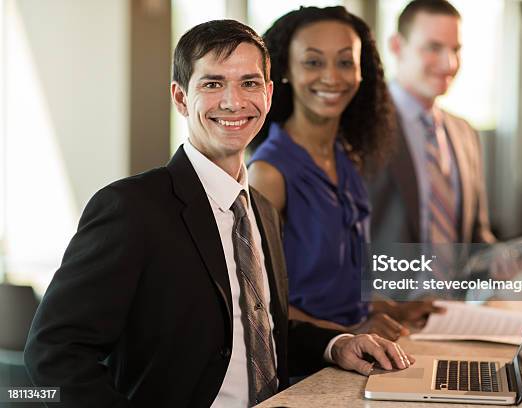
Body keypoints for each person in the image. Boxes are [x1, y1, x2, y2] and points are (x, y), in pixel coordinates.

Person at [24, 20, 413, 408]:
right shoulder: (132, 208)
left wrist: (336, 344)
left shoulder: (260, 209)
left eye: (249, 83)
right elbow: (53, 352)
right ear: (180, 98)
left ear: (269, 93)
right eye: (212, 84)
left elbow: (257, 332)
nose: (234, 101)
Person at [248, 6, 416, 341]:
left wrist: (393, 308)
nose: (332, 77)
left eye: (344, 62)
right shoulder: (268, 173)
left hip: (356, 350)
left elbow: (335, 287)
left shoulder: (346, 158)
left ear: (361, 70)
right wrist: (349, 333)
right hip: (305, 368)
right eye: (313, 62)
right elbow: (259, 303)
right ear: (285, 71)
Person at [368, 0, 496, 246]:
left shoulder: (465, 133)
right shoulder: (363, 127)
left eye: (455, 49)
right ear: (397, 46)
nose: (449, 63)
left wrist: (498, 258)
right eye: (433, 48)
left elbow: (476, 237)